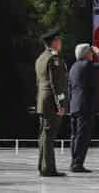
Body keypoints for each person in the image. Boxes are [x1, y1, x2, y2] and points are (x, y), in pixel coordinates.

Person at [69, 44, 99, 173]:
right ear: (85, 54)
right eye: (90, 52)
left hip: (74, 105)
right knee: (82, 136)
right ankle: (77, 164)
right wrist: (98, 51)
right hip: (85, 107)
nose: (92, 54)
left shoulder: (73, 67)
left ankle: (74, 162)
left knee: (75, 136)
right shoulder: (87, 64)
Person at [35, 29, 68, 177]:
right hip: (51, 102)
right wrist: (60, 104)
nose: (60, 43)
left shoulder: (41, 58)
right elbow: (57, 84)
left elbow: (39, 82)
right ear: (54, 42)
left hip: (43, 101)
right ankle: (48, 168)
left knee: (44, 134)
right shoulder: (54, 59)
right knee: (49, 136)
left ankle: (43, 166)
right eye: (59, 40)